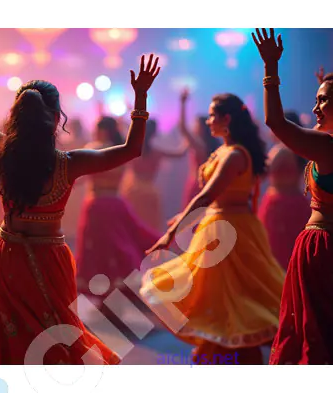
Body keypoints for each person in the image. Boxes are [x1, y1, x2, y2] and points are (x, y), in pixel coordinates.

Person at [0, 28, 160, 365]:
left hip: (5, 257)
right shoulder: (70, 164)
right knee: (54, 341)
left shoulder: (0, 151)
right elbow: (132, 149)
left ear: (16, 117)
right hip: (48, 261)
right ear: (57, 118)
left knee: (8, 341)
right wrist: (141, 97)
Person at [140, 92, 285, 364]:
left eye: (211, 116)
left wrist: (172, 233)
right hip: (217, 227)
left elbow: (207, 195)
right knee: (214, 294)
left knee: (234, 296)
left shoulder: (235, 155)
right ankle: (218, 353)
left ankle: (232, 357)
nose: (207, 122)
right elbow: (211, 198)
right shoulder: (223, 151)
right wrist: (184, 218)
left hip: (231, 232)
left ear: (226, 119)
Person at [253, 28, 333, 364]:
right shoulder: (324, 143)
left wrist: (271, 68)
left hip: (323, 251)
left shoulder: (327, 147)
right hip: (316, 248)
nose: (316, 107)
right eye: (315, 99)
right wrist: (325, 88)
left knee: (314, 341)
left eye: (324, 100)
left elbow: (276, 122)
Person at [75, 116, 160, 302]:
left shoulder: (94, 148)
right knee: (119, 247)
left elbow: (79, 175)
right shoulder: (122, 149)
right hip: (116, 203)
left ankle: (107, 298)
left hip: (97, 205)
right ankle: (119, 295)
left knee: (100, 251)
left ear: (103, 130)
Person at [257, 111, 311, 269]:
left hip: (280, 208)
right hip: (297, 204)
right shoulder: (299, 147)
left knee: (277, 254)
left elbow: (262, 173)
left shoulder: (281, 150)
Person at [121, 118, 188, 231]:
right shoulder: (157, 152)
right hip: (150, 193)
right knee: (150, 229)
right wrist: (188, 138)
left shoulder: (133, 150)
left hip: (132, 191)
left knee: (132, 229)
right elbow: (180, 153)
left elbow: (122, 130)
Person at [178, 89, 220, 208]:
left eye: (196, 124)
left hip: (196, 185)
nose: (193, 127)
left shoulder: (199, 144)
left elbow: (182, 128)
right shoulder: (206, 144)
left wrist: (183, 104)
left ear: (201, 127)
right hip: (205, 185)